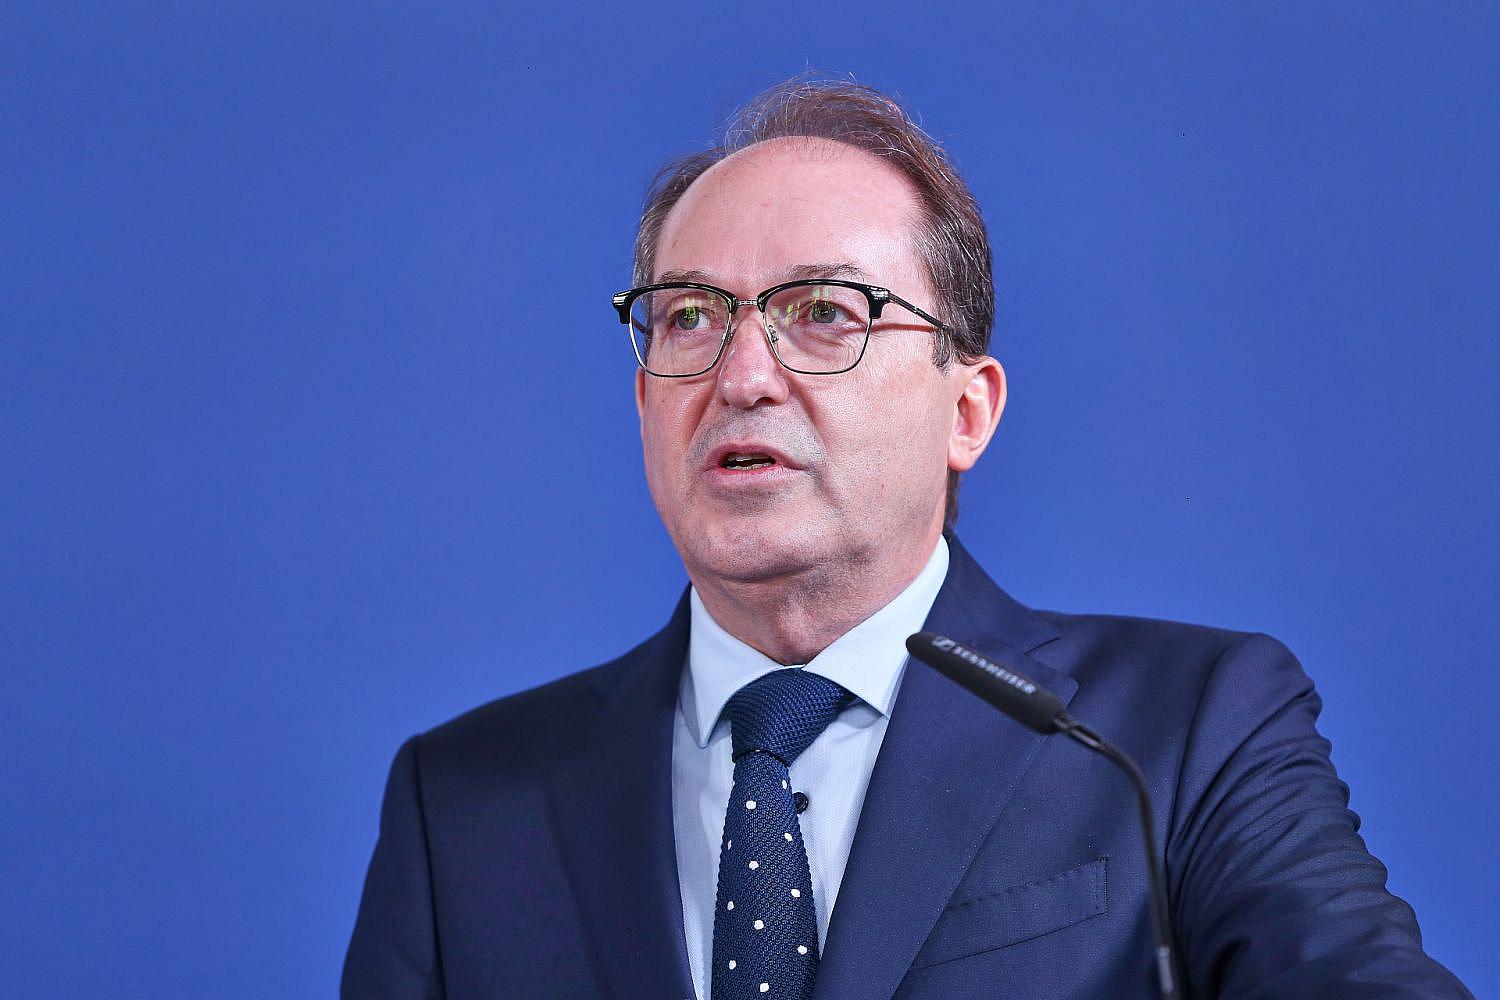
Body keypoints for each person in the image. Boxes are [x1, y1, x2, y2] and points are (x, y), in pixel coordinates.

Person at [343, 78, 1471, 999]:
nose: (742, 377)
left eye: (825, 313)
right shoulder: (463, 803)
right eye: (689, 316)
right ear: (643, 401)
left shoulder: (1174, 737)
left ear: (966, 411)